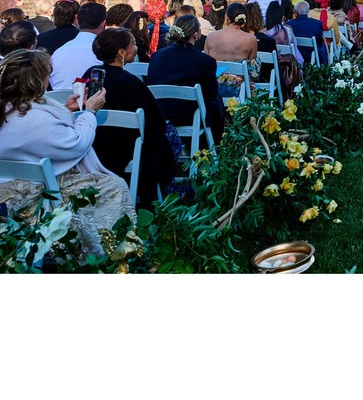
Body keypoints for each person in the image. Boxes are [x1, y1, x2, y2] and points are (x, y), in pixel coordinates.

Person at [0, 49, 134, 255]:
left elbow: (42, 135)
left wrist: (67, 110)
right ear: (36, 80)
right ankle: (111, 253)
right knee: (114, 186)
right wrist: (89, 112)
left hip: (8, 193)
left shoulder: (10, 107)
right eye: (46, 74)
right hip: (35, 201)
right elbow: (75, 143)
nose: (49, 79)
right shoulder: (34, 118)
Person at [84, 28, 175, 207]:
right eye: (133, 44)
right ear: (121, 52)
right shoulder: (131, 83)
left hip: (93, 145)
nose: (136, 48)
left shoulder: (91, 74)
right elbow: (154, 123)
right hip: (124, 148)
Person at [148, 15, 225, 144]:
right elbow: (211, 93)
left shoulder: (157, 56)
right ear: (196, 34)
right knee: (217, 100)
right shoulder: (205, 61)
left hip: (160, 112)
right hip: (189, 115)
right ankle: (214, 145)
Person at [50, 2, 107, 90]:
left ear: (77, 21)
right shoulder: (105, 54)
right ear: (103, 24)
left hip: (59, 101)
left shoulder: (58, 53)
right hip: (92, 101)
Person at [265, 2, 302, 97]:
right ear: (281, 17)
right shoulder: (287, 31)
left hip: (266, 71)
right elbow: (295, 52)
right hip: (286, 70)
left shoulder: (263, 34)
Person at [286, 1, 327, 65]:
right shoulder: (317, 24)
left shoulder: (289, 24)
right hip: (312, 54)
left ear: (296, 12)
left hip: (295, 54)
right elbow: (319, 41)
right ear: (308, 11)